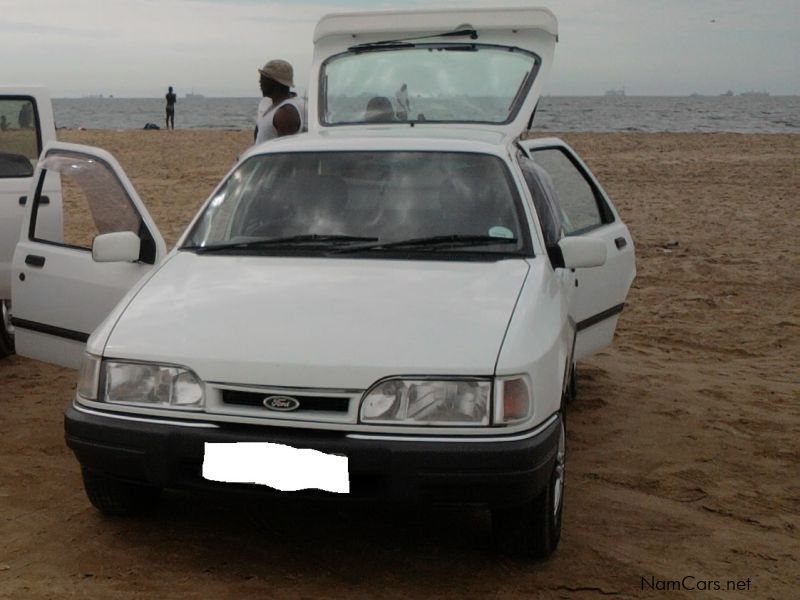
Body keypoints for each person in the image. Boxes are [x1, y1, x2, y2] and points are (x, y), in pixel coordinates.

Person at [254, 59, 306, 144]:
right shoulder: (270, 104)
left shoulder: (285, 113)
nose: (260, 82)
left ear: (275, 83)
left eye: (263, 79)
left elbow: (284, 151)